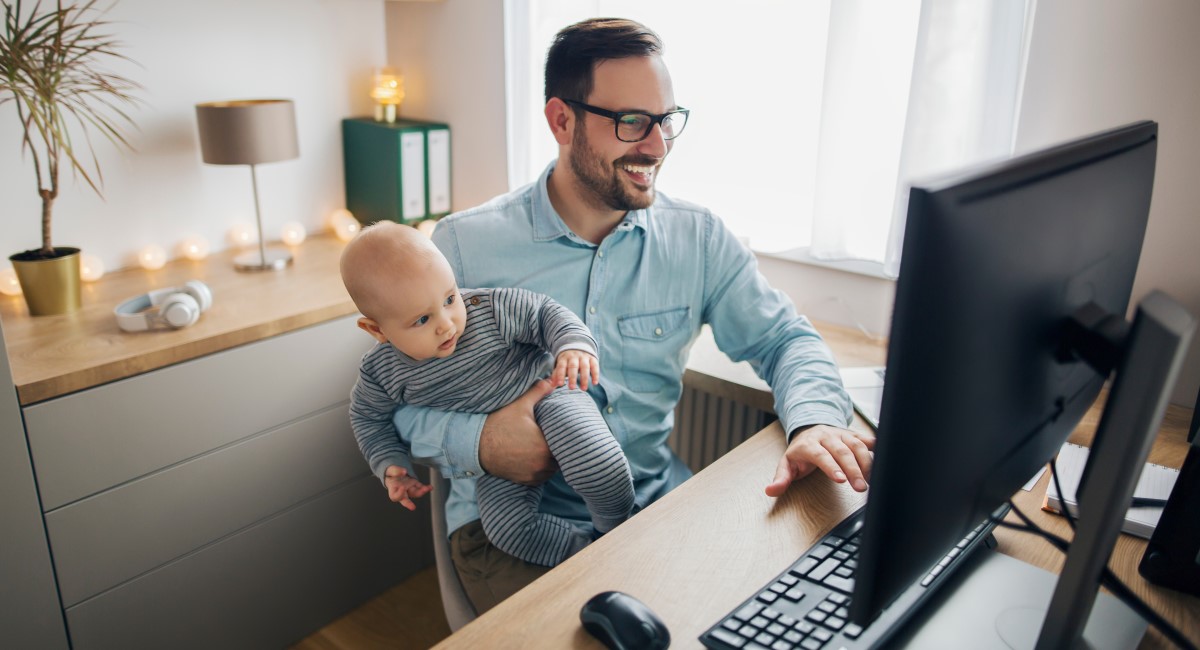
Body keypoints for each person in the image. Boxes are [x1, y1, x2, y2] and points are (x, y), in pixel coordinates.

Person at [394, 17, 875, 613]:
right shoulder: (465, 247)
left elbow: (785, 339)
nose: (656, 145)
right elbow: (399, 400)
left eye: (667, 121)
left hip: (654, 506)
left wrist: (815, 423)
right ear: (560, 120)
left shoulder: (697, 238)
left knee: (777, 611)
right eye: (631, 122)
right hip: (513, 529)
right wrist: (482, 441)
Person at [341, 221, 635, 567]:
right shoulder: (382, 372)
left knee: (598, 464)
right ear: (376, 330)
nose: (447, 323)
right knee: (507, 529)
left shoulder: (489, 310)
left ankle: (619, 531)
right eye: (422, 320)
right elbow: (367, 417)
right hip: (498, 454)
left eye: (450, 298)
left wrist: (572, 346)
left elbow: (544, 313)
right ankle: (586, 555)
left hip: (548, 395)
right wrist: (389, 463)